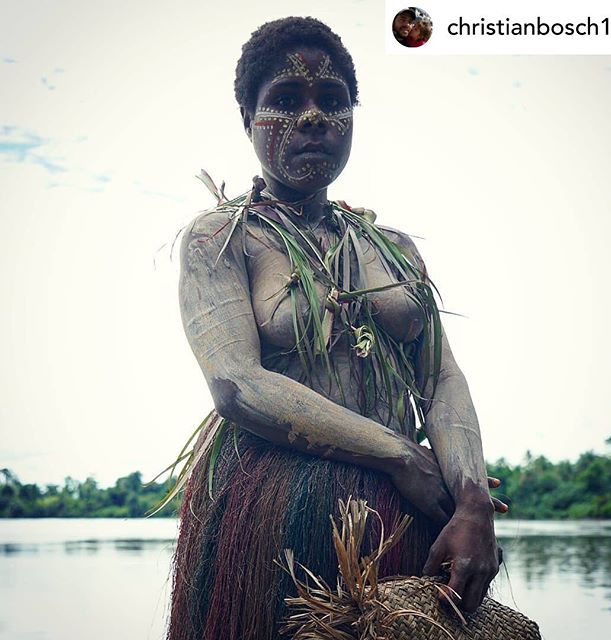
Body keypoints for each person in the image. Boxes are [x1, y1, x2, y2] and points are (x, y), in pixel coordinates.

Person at [168, 17, 505, 640]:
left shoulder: (396, 250)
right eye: (285, 102)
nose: (314, 118)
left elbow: (441, 377)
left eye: (332, 101)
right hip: (274, 517)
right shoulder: (221, 239)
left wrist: (472, 501)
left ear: (352, 116)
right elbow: (237, 384)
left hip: (403, 519)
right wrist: (399, 454)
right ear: (249, 121)